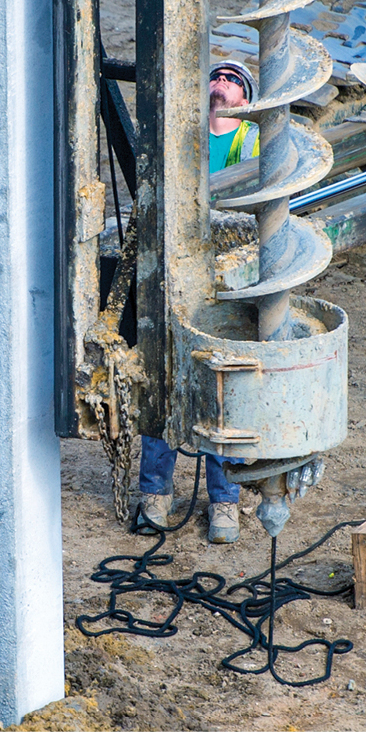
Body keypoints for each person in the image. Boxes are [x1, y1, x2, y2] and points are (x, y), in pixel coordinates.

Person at [135, 61, 259, 544]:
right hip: (176, 270)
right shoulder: (179, 129)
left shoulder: (253, 138)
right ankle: (155, 494)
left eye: (233, 81)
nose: (221, 83)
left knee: (224, 387)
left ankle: (225, 502)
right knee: (161, 376)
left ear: (246, 100)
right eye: (216, 76)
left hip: (229, 277)